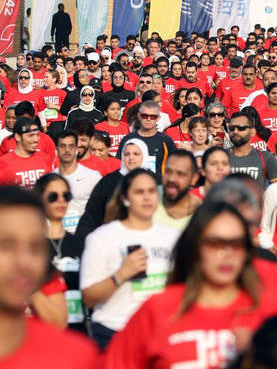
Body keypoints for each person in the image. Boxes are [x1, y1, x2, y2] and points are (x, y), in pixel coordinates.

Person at [103, 201, 277, 367]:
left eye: (236, 244)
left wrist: (262, 353)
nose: (227, 253)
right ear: (194, 247)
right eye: (215, 243)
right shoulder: (158, 309)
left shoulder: (273, 306)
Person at [79, 169, 179, 349]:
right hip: (114, 332)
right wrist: (121, 274)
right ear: (125, 198)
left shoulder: (172, 237)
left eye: (151, 191)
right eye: (139, 192)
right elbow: (89, 297)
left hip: (159, 334)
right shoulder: (102, 238)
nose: (147, 198)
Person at [0, 186, 98, 366]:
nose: (23, 261)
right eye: (6, 245)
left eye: (35, 247)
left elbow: (58, 321)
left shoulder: (78, 357)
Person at [34, 173, 87, 331]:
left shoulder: (81, 243)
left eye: (66, 196)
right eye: (53, 196)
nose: (61, 200)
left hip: (77, 329)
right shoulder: (32, 248)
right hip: (43, 330)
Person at [74, 138, 150, 240]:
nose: (131, 158)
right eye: (127, 154)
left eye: (136, 154)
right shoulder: (108, 182)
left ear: (144, 156)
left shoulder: (155, 181)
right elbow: (91, 216)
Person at [115, 99, 177, 181]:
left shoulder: (166, 140)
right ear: (139, 116)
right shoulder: (128, 139)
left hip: (157, 185)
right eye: (145, 116)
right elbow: (118, 164)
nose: (148, 119)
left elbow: (174, 165)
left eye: (153, 116)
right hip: (132, 184)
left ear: (158, 118)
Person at [54, 130, 102, 233]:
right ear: (56, 150)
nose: (67, 150)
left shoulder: (93, 177)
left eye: (71, 146)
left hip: (84, 234)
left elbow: (101, 209)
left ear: (76, 149)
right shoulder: (49, 180)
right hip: (58, 235)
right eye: (62, 146)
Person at [227, 111, 277, 189]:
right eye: (232, 128)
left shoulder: (265, 157)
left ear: (252, 132)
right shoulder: (220, 156)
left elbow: (276, 190)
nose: (235, 131)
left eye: (241, 128)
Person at [152, 149, 201, 231]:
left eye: (180, 174)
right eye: (168, 172)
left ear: (194, 178)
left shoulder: (202, 214)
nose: (171, 179)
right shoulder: (148, 197)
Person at [0, 118, 53, 188]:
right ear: (18, 137)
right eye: (31, 135)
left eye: (37, 135)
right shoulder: (3, 163)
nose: (36, 139)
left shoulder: (45, 159)